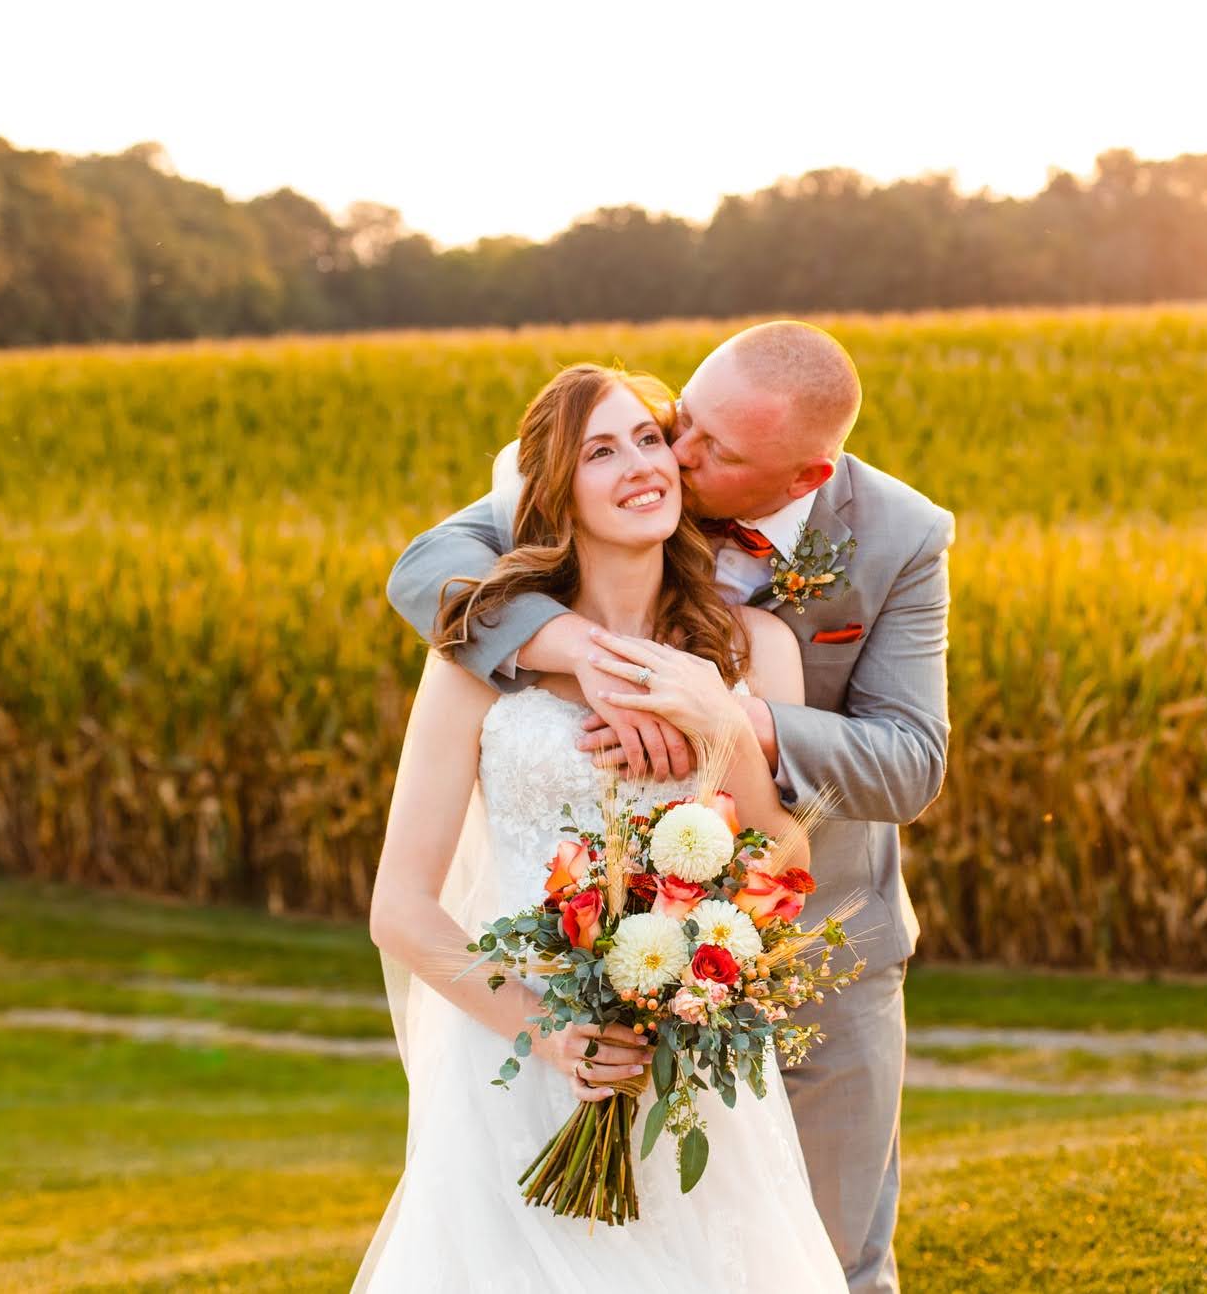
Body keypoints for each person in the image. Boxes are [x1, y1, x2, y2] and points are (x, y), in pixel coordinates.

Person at [385, 321, 955, 1294]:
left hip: (788, 970)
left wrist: (727, 722)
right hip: (532, 1039)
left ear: (802, 478)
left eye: (688, 447)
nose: (672, 459)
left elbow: (899, 773)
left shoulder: (873, 555)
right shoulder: (488, 644)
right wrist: (587, 656)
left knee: (830, 1261)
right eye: (658, 430)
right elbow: (418, 571)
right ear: (551, 486)